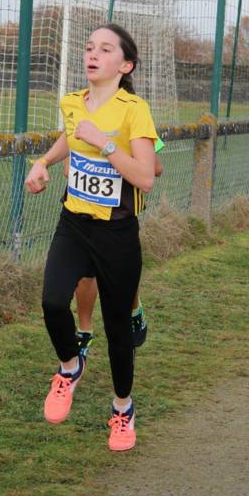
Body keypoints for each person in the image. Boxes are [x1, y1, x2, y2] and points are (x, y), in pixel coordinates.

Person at [25, 23, 158, 451]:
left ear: (125, 65)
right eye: (89, 47)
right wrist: (43, 162)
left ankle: (123, 409)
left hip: (117, 232)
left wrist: (105, 144)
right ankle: (70, 367)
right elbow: (71, 136)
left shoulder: (134, 110)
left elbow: (146, 176)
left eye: (105, 49)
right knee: (52, 301)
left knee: (118, 331)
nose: (93, 54)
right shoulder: (72, 102)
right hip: (74, 223)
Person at [72, 140, 164, 353]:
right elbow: (68, 170)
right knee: (85, 272)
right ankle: (84, 331)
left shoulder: (135, 125)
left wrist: (118, 159)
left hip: (120, 214)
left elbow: (156, 168)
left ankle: (134, 309)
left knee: (123, 273)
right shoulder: (80, 126)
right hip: (86, 211)